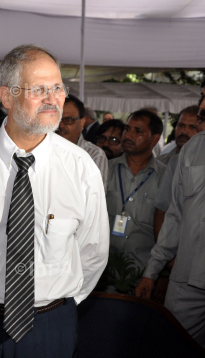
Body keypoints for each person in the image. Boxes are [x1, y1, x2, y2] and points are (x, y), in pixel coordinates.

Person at [0, 44, 109, 358]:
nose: (52, 98)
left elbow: (93, 250)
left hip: (48, 327)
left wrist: (53, 305)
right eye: (39, 89)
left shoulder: (81, 166)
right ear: (6, 97)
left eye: (57, 88)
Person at [135, 104, 205, 347]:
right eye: (202, 96)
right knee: (170, 347)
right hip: (186, 280)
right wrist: (152, 272)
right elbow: (173, 216)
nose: (203, 106)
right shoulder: (194, 148)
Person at [105, 110, 165, 281]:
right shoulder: (105, 169)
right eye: (127, 129)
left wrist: (161, 278)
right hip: (103, 274)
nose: (128, 135)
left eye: (138, 131)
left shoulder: (166, 177)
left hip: (145, 275)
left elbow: (169, 232)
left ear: (154, 139)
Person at [56, 94, 108, 191]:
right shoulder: (43, 151)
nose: (61, 125)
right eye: (56, 119)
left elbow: (94, 198)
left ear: (81, 123)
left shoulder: (94, 155)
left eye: (68, 120)